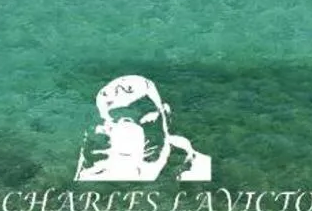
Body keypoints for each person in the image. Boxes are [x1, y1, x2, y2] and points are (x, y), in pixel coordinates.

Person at [74, 75, 212, 182]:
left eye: (147, 121)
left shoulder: (201, 169)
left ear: (167, 117)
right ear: (105, 129)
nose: (134, 136)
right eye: (119, 123)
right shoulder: (92, 175)